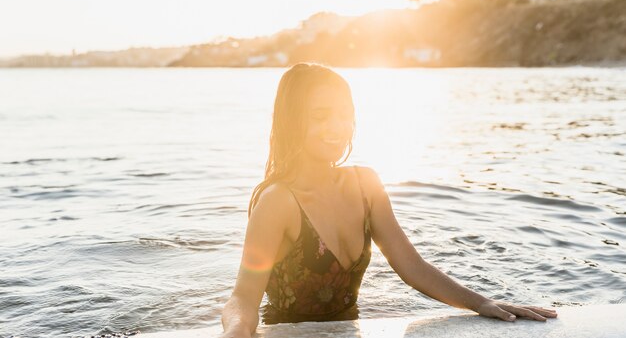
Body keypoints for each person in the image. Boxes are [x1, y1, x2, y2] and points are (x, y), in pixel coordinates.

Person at [221, 63, 557, 337]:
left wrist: (481, 303)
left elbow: (412, 267)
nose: (336, 126)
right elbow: (243, 297)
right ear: (293, 122)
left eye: (343, 114)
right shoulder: (278, 201)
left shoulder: (365, 183)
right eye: (320, 116)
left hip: (349, 330)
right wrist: (236, 331)